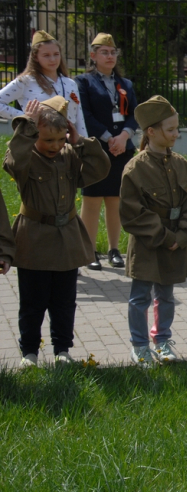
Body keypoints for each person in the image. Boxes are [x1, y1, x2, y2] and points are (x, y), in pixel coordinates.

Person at [3, 96, 110, 367]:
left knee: (64, 301)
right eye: (48, 139)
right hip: (34, 239)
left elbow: (99, 170)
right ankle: (29, 352)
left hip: (67, 239)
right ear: (34, 135)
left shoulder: (69, 155)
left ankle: (62, 350)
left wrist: (80, 142)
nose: (55, 145)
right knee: (33, 302)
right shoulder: (26, 158)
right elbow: (13, 163)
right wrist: (25, 127)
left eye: (60, 139)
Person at [119, 95, 187, 366]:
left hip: (175, 242)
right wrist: (165, 237)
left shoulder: (182, 165)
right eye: (170, 129)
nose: (176, 134)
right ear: (151, 132)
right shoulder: (135, 168)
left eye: (177, 128)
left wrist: (182, 236)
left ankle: (163, 340)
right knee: (140, 297)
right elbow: (132, 213)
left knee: (166, 296)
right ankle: (140, 346)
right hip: (148, 243)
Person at [76, 33, 139, 270]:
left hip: (121, 149)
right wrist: (109, 137)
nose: (110, 56)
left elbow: (133, 114)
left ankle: (114, 250)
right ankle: (89, 251)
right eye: (104, 52)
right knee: (92, 200)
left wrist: (123, 137)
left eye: (113, 52)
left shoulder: (126, 84)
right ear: (93, 56)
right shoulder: (83, 82)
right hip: (96, 149)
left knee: (115, 200)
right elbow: (84, 114)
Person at [0, 30, 88, 139]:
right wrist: (26, 117)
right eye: (46, 55)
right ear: (35, 57)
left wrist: (84, 142)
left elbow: (79, 117)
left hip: (68, 140)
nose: (52, 59)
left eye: (56, 54)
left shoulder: (70, 83)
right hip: (40, 140)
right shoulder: (25, 81)